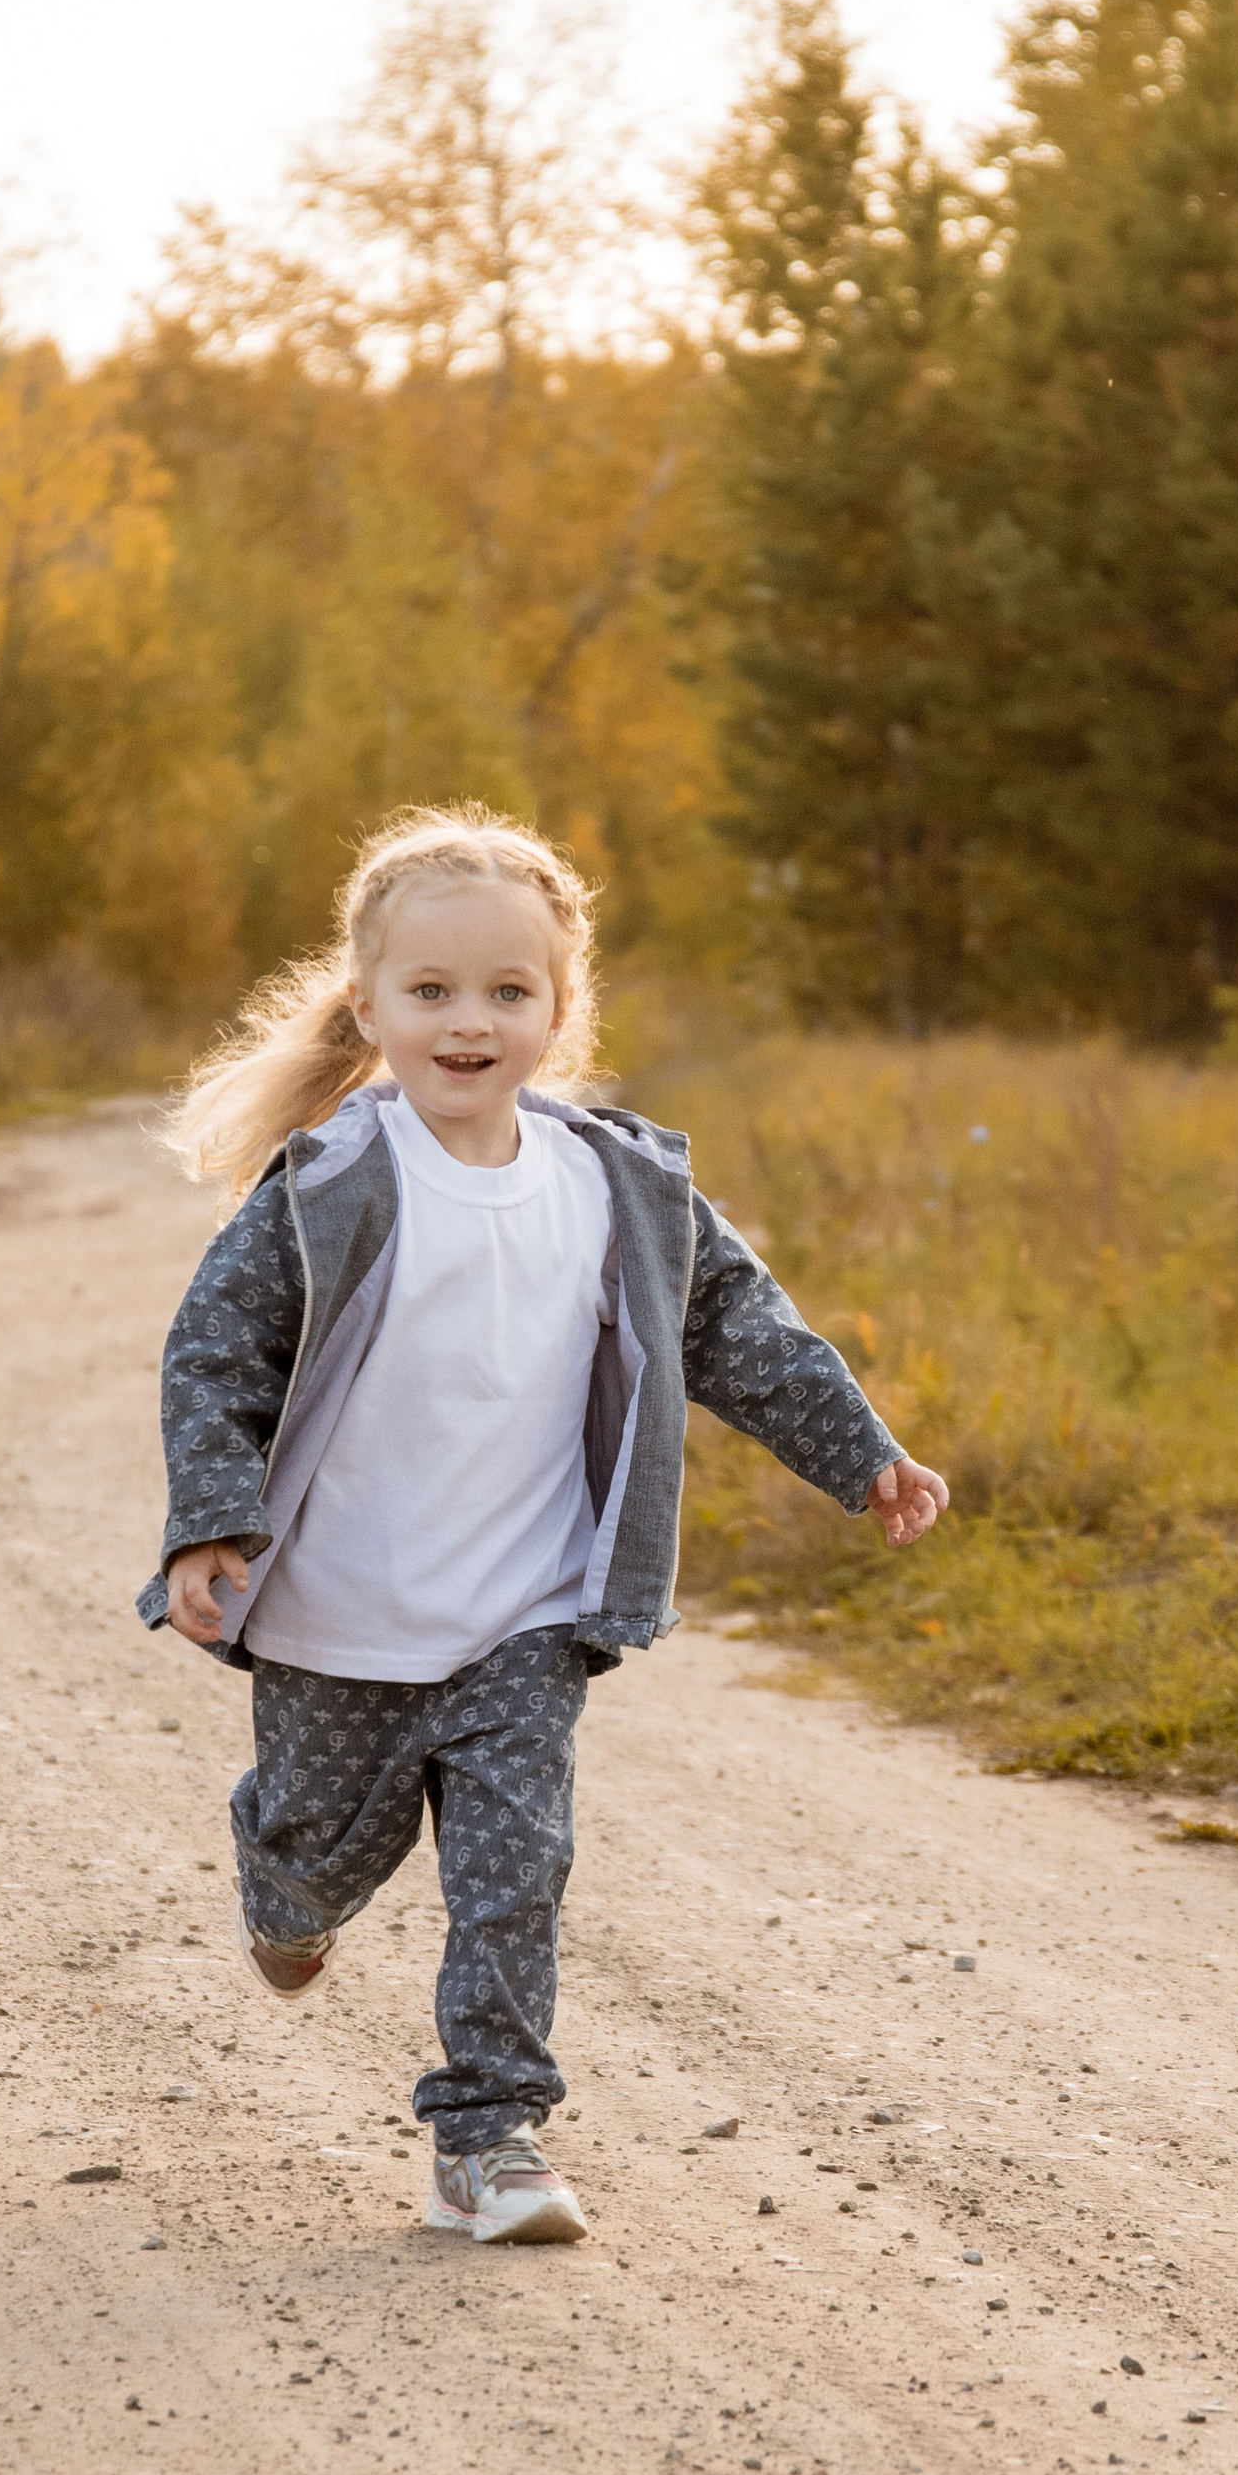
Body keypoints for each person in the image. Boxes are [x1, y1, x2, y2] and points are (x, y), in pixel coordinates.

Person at [140, 804, 948, 2247]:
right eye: (432, 993)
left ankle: (489, 2137)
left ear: (560, 1010)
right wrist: (213, 1524)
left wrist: (861, 1453)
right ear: (371, 1004)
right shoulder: (332, 1186)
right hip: (341, 1617)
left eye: (509, 992)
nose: (470, 1021)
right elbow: (216, 1353)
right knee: (322, 1847)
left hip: (528, 1614)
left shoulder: (618, 1185)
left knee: (516, 1875)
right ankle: (287, 1881)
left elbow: (740, 1330)